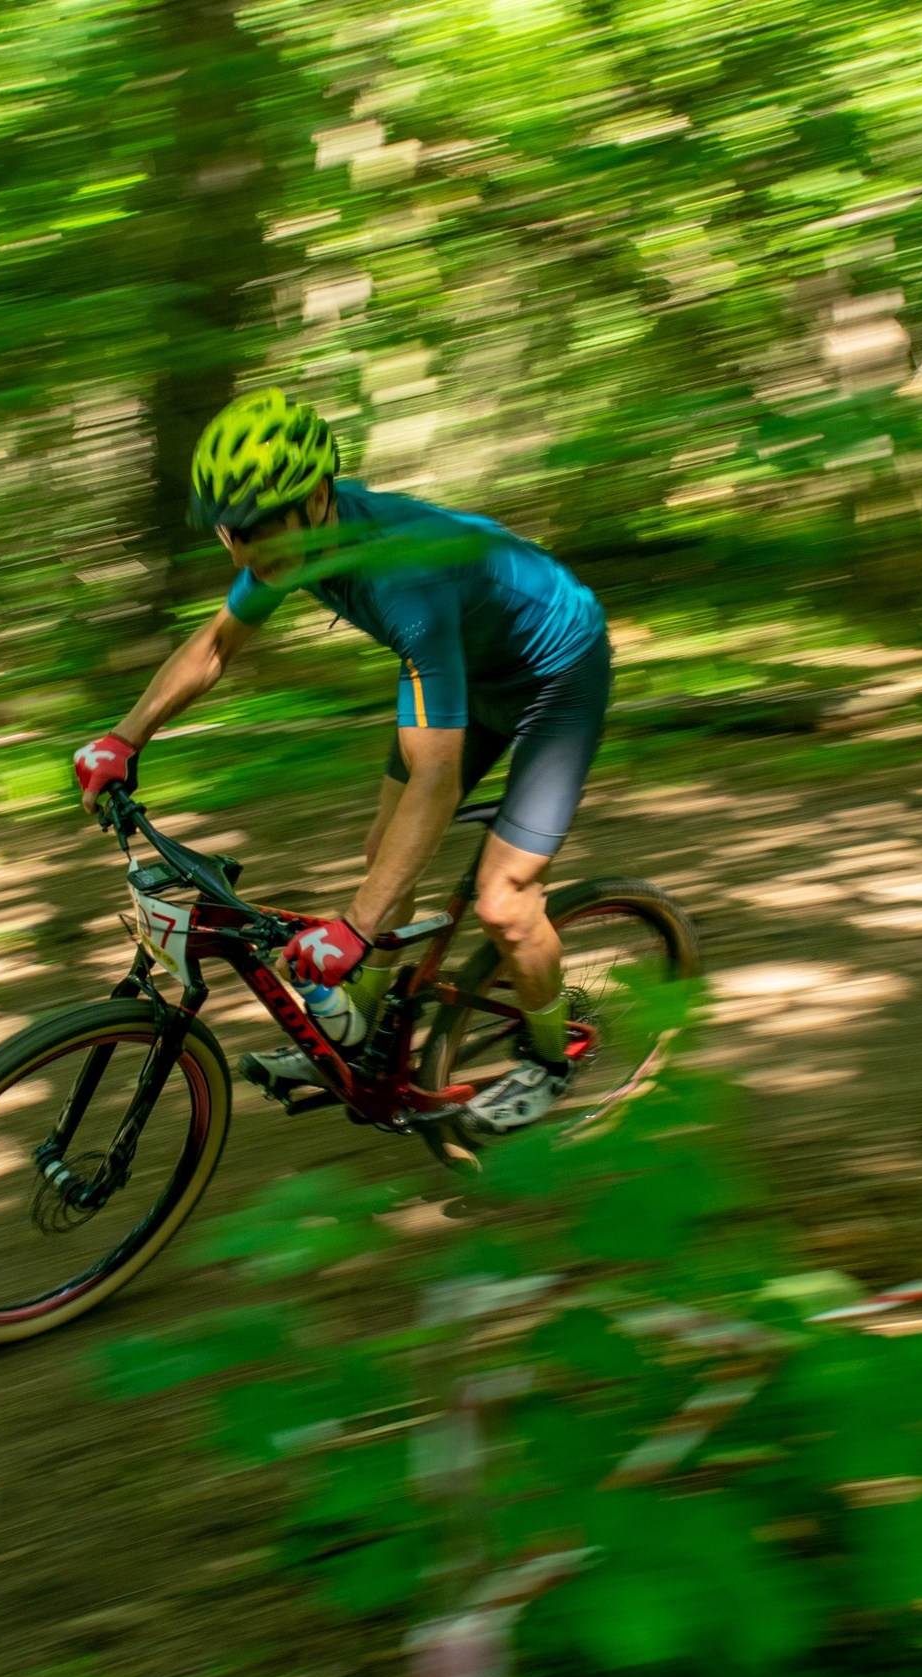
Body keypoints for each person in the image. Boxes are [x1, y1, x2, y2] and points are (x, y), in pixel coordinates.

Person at [70, 389, 610, 1135]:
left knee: (504, 905)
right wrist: (126, 736)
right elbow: (218, 644)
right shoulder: (291, 539)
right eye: (229, 529)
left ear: (317, 498)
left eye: (256, 529)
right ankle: (358, 1024)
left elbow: (435, 776)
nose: (241, 549)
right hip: (471, 662)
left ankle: (553, 1056)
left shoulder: (401, 577)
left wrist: (352, 929)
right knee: (380, 855)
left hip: (555, 673)